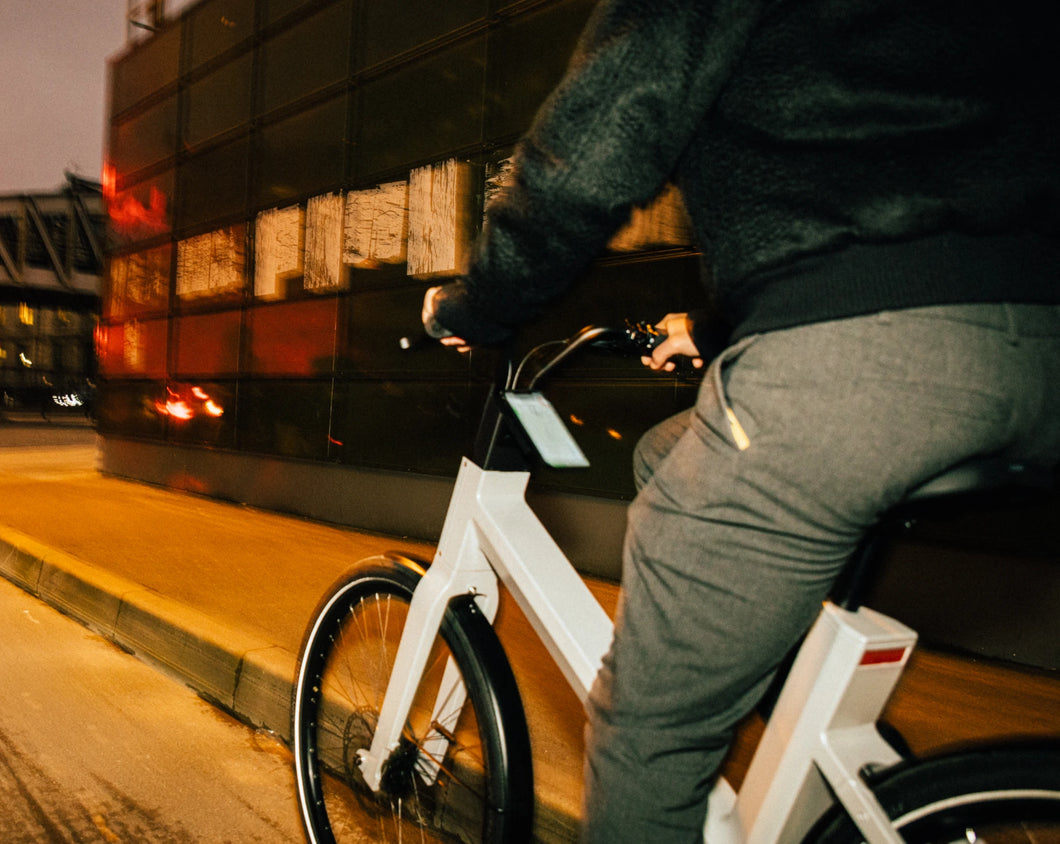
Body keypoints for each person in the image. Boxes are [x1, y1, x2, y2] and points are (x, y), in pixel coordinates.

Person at [421, 1, 1059, 841]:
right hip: (1033, 344)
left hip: (858, 374)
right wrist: (719, 328)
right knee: (666, 454)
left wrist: (482, 302)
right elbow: (908, 192)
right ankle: (768, 673)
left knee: (650, 734)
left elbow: (596, 140)